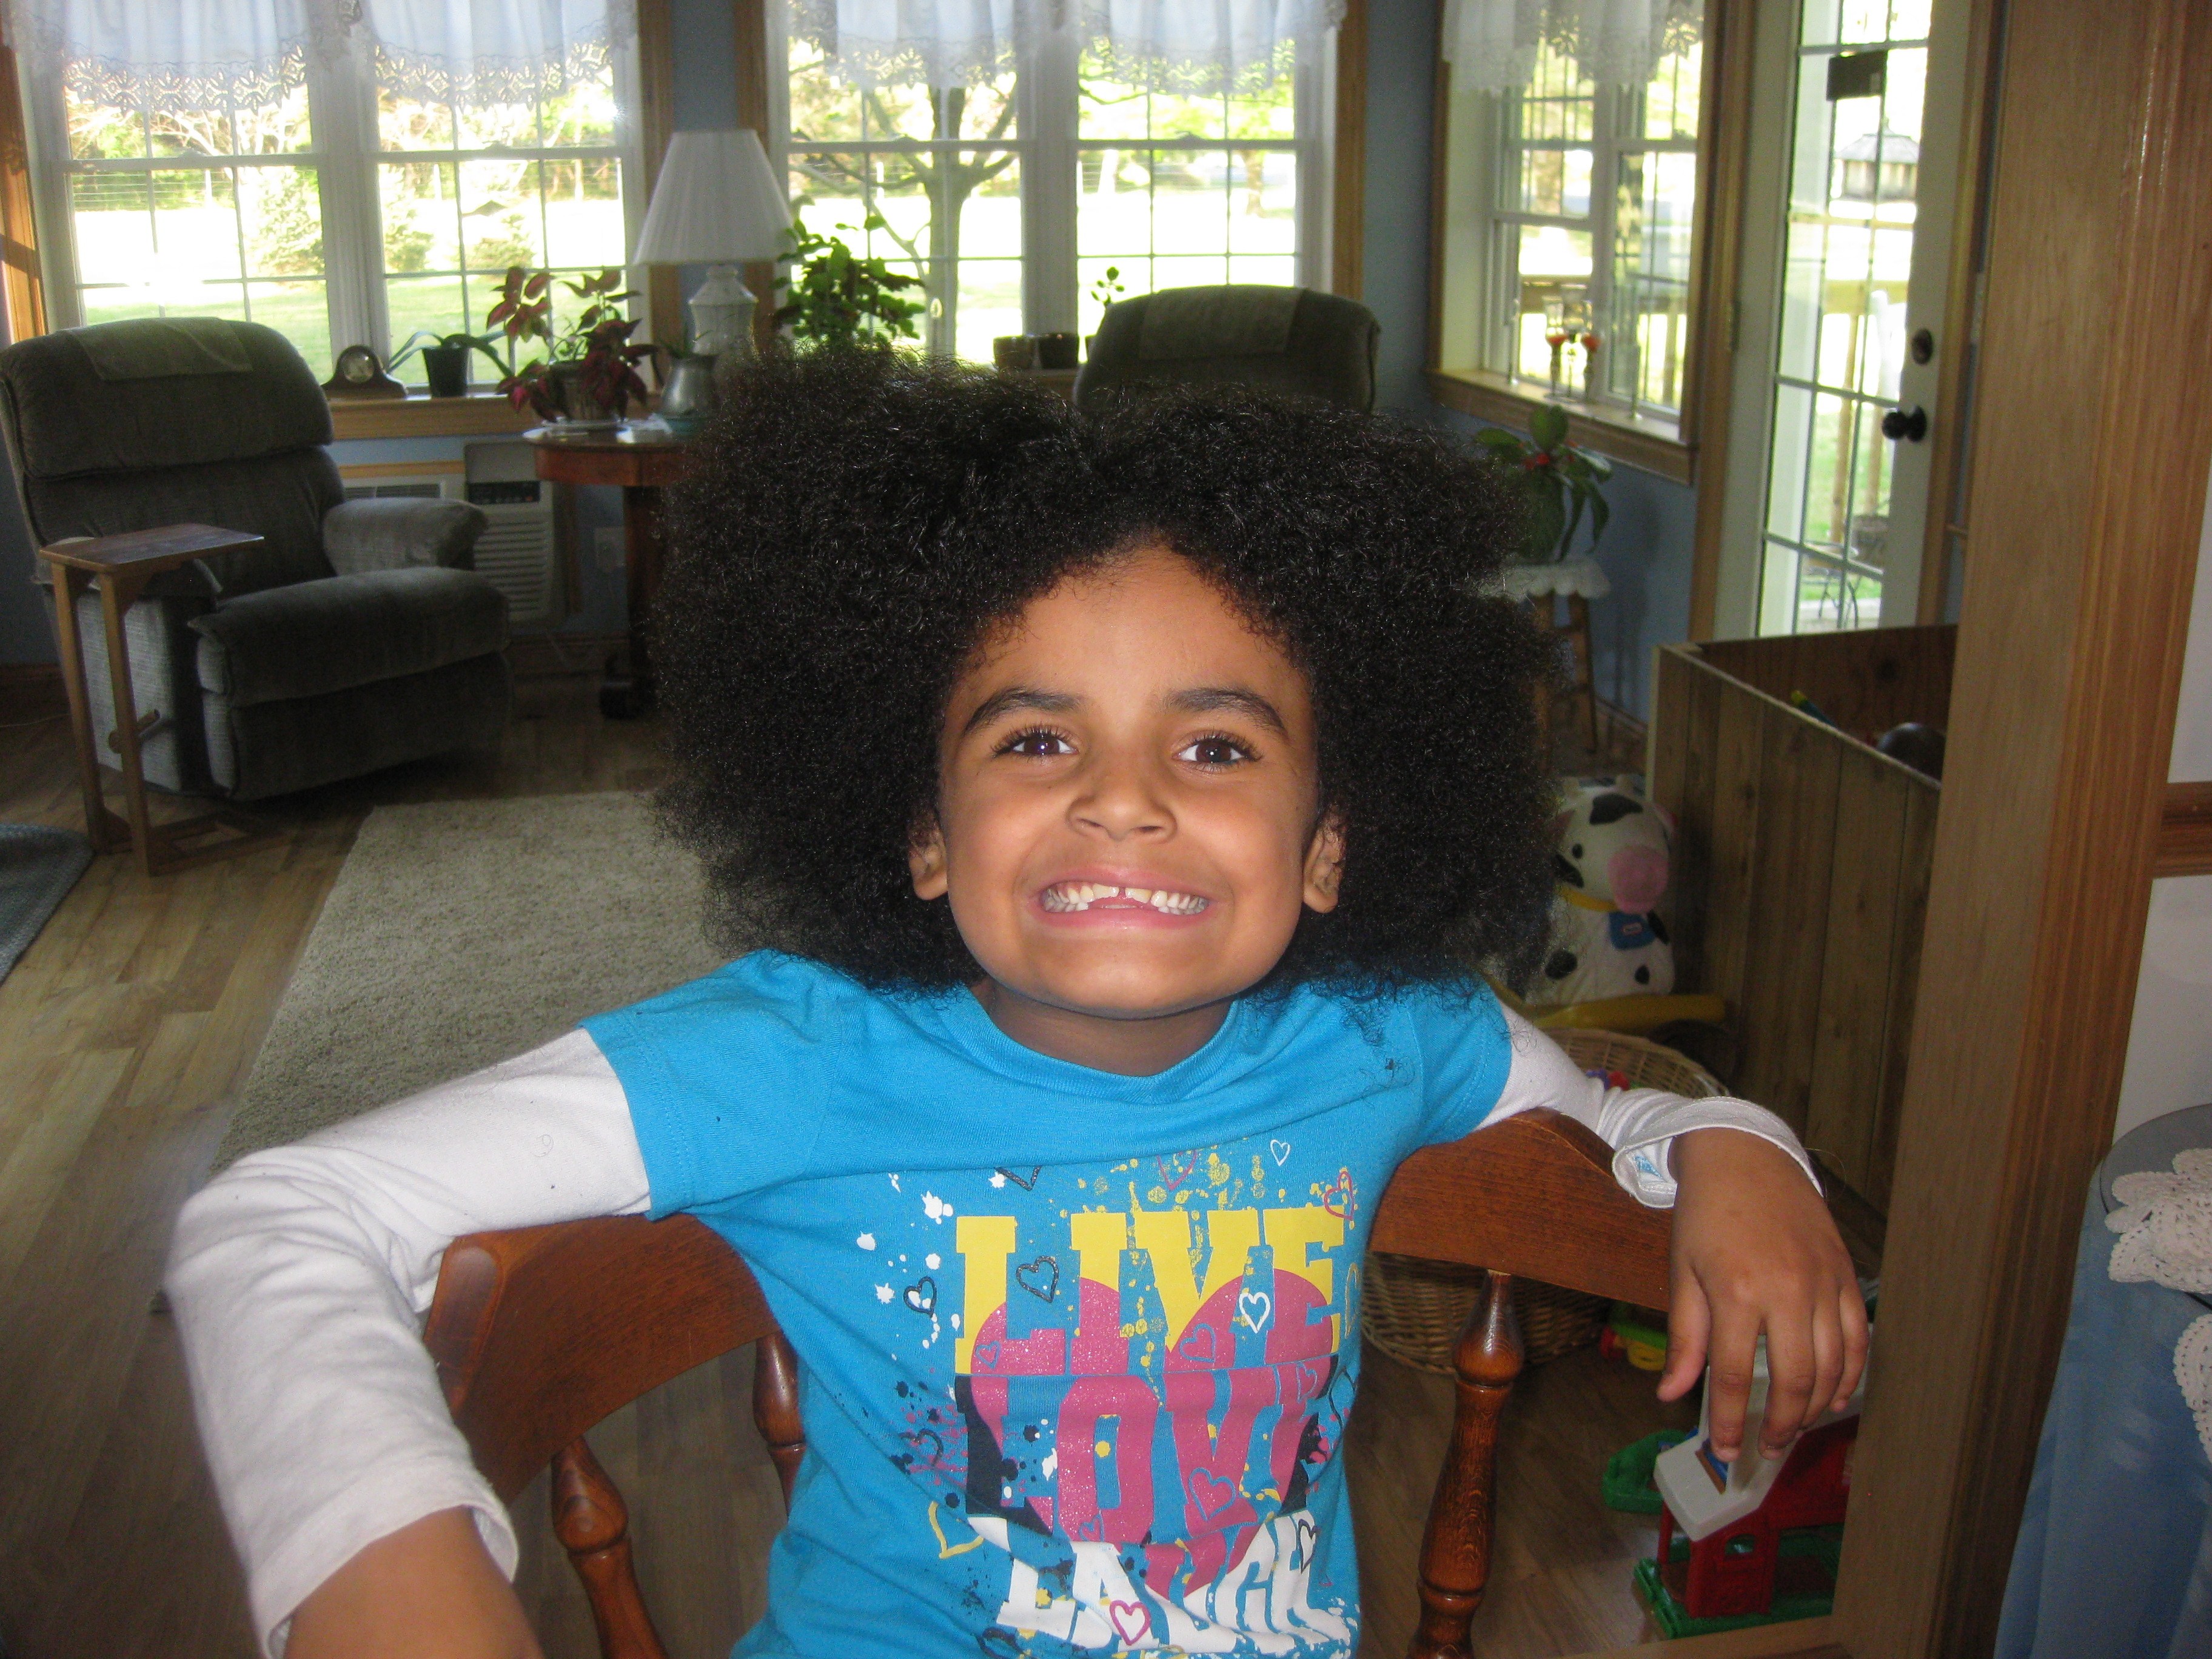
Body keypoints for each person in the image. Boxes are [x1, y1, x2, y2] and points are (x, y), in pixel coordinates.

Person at [169, 352, 1867, 1659]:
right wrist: (381, 1557)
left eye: (1217, 745)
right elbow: (281, 1212)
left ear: (1330, 847)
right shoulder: (794, 1055)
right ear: (923, 833)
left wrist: (1739, 1146)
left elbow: (1614, 1127)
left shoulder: (1389, 1032)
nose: (1123, 798)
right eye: (1036, 738)